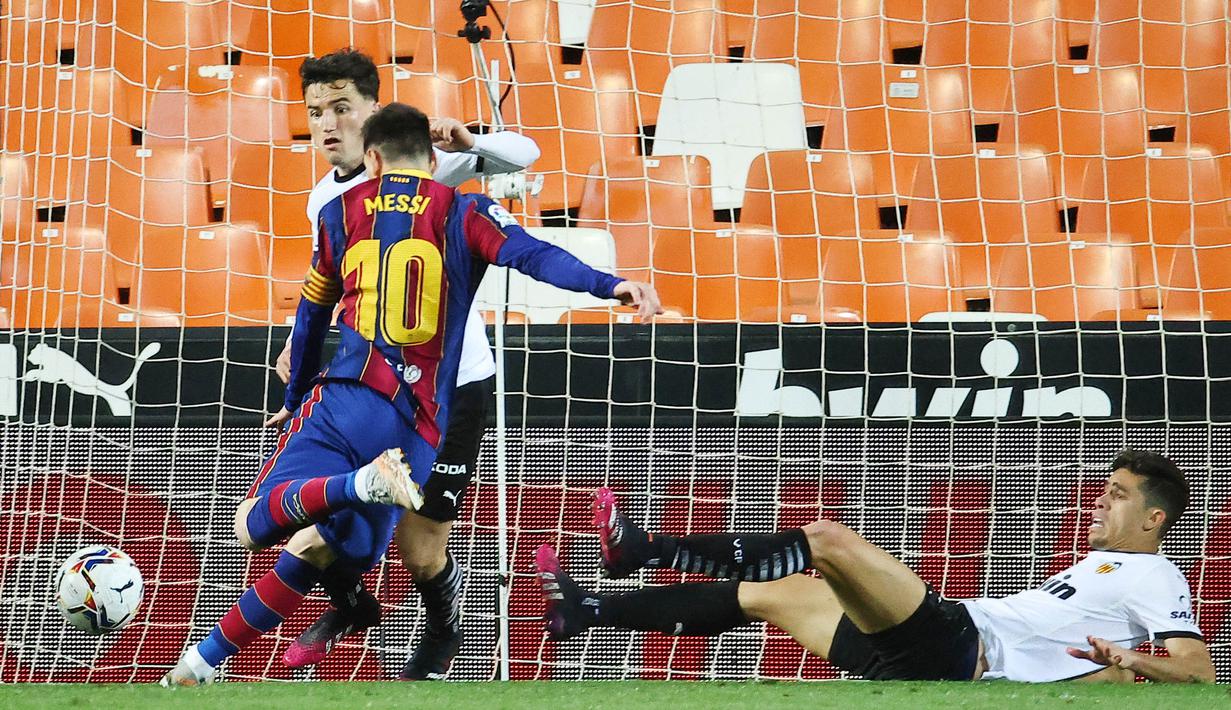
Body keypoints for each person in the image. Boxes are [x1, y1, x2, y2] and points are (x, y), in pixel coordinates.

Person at [162, 102, 661, 686]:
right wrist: (611, 284)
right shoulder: (467, 208)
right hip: (419, 427)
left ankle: (353, 490)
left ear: (371, 158)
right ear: (433, 159)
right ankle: (195, 670)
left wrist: (297, 399)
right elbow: (533, 255)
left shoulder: (340, 211)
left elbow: (310, 321)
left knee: (252, 525)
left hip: (349, 400)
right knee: (328, 546)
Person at [279, 48, 541, 680]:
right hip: (371, 386)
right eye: (316, 113)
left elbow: (526, 155)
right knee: (317, 515)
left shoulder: (425, 167)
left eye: (343, 109)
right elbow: (335, 284)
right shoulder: (324, 200)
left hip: (453, 388)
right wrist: (299, 340)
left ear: (373, 112)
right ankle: (351, 602)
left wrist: (471, 141)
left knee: (419, 549)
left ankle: (443, 621)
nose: (328, 125)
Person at [537, 450, 1215, 683]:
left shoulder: (1154, 574)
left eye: (1117, 495)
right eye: (1102, 489)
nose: (1099, 501)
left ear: (1155, 518)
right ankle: (587, 611)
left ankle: (646, 549)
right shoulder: (1100, 564)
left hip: (960, 643)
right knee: (774, 593)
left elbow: (1197, 670)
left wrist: (1129, 663)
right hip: (935, 656)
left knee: (827, 540)